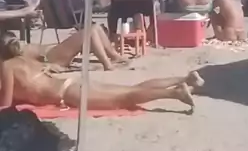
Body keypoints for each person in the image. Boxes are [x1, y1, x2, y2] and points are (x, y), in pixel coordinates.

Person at [0, 32, 203, 111]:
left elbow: (6, 104)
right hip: (72, 84)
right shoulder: (24, 59)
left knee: (125, 98)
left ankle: (174, 93)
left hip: (67, 94)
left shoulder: (7, 67)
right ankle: (185, 78)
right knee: (130, 89)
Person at [21, 25, 128, 71]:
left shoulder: (18, 48)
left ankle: (114, 56)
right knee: (90, 32)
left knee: (96, 27)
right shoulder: (18, 55)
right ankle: (107, 65)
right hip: (49, 56)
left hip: (51, 52)